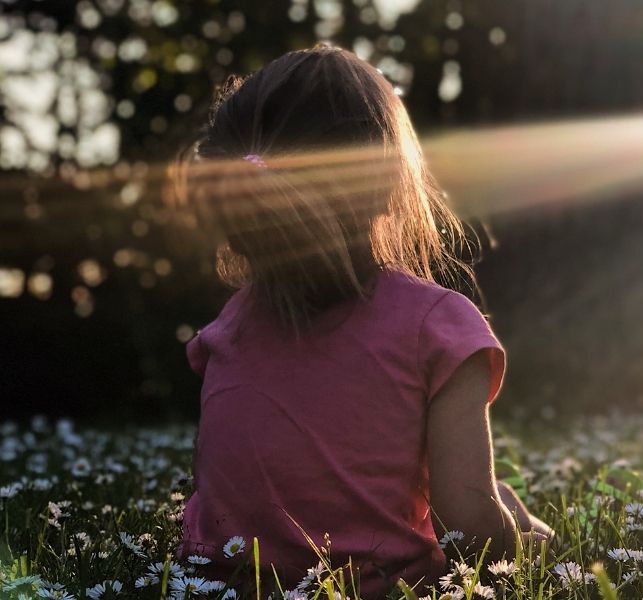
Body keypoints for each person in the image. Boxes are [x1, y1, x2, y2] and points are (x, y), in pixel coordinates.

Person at [168, 44, 553, 598]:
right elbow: (468, 528)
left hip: (217, 589)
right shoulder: (437, 328)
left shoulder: (228, 330)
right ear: (389, 183)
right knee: (506, 510)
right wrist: (532, 543)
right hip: (380, 591)